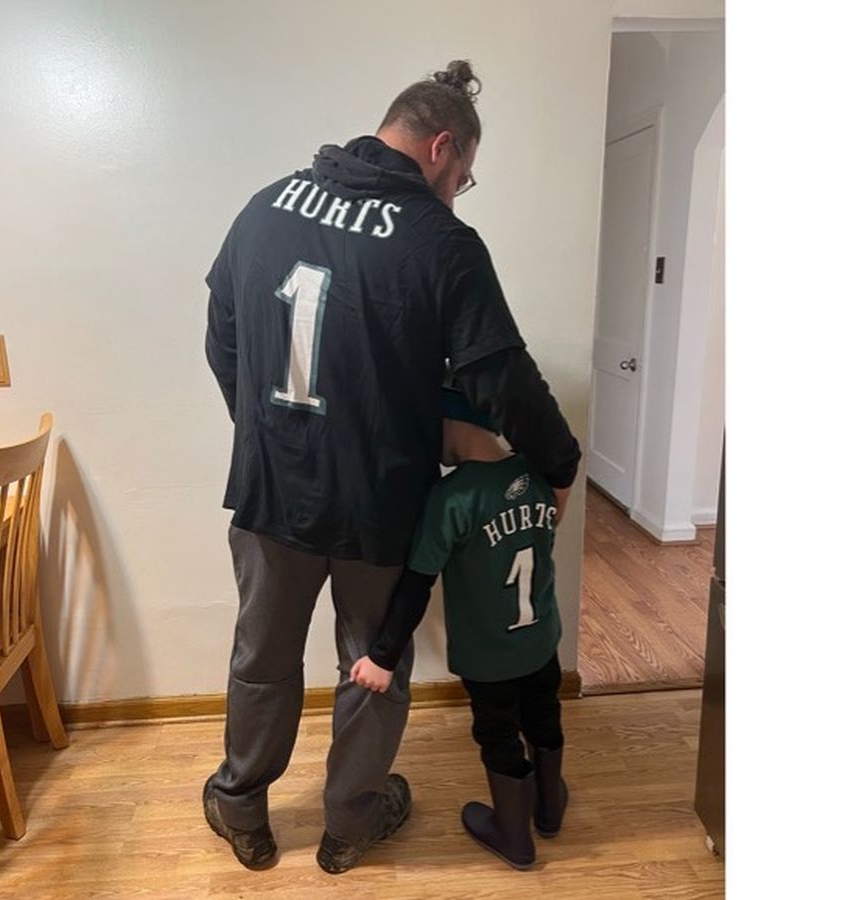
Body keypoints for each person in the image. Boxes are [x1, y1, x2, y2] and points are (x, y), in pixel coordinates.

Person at [202, 58, 581, 875]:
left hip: (273, 492)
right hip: (378, 503)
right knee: (371, 664)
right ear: (442, 147)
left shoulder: (266, 206)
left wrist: (268, 437)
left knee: (262, 657)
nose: (457, 193)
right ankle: (348, 825)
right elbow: (500, 375)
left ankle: (242, 808)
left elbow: (222, 337)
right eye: (463, 176)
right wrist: (559, 461)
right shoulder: (441, 242)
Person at [350, 386, 570, 870]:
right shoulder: (538, 473)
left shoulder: (452, 498)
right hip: (541, 639)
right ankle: (549, 807)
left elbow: (416, 584)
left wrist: (383, 656)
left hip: (488, 655)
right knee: (544, 713)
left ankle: (514, 836)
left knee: (498, 733)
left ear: (451, 423)